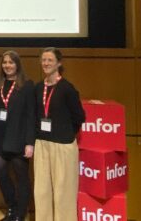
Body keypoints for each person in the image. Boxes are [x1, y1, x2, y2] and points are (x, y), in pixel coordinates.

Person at [34, 47, 85, 221]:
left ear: (59, 63)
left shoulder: (67, 88)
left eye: (50, 60)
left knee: (64, 193)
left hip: (62, 146)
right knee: (42, 191)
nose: (46, 63)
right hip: (42, 144)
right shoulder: (38, 87)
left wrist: (65, 133)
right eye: (44, 60)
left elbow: (79, 117)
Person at [0, 51, 35, 221]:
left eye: (11, 62)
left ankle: (20, 214)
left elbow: (31, 115)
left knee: (21, 178)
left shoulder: (27, 86)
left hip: (19, 139)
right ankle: (11, 208)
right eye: (5, 62)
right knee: (2, 174)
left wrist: (30, 143)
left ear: (17, 65)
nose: (7, 65)